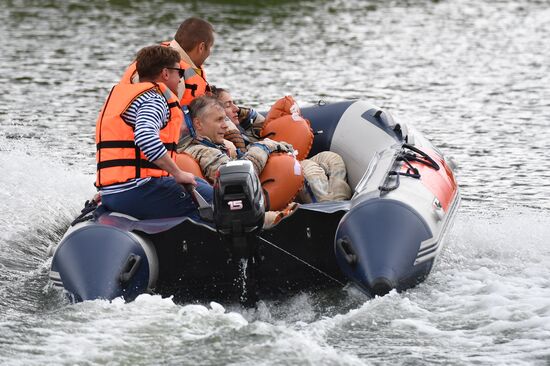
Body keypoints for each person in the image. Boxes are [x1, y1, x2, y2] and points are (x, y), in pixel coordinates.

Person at [95, 45, 213, 220]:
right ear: (166, 73)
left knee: (199, 183)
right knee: (217, 200)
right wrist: (177, 173)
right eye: (179, 73)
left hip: (112, 193)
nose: (181, 80)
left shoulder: (124, 98)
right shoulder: (154, 99)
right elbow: (145, 137)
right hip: (139, 190)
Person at [211, 90, 353, 203]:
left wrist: (247, 114)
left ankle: (339, 204)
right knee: (310, 171)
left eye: (235, 103)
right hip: (273, 171)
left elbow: (265, 127)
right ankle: (327, 210)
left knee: (332, 159)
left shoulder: (244, 129)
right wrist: (265, 146)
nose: (236, 108)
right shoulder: (224, 138)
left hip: (283, 158)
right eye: (228, 105)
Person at [121, 17, 214, 106]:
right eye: (210, 47)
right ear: (201, 47)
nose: (209, 52)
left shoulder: (155, 55)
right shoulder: (174, 73)